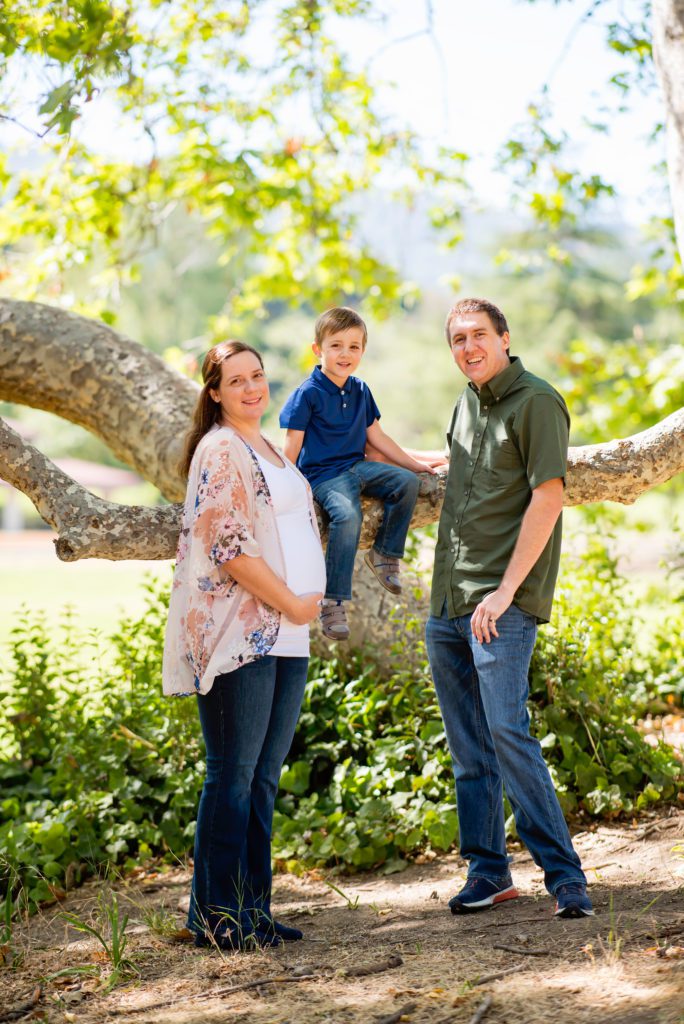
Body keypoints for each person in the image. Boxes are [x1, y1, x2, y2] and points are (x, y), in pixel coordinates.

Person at [425, 298, 593, 919]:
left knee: (505, 730)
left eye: (478, 336)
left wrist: (503, 591)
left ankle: (566, 878)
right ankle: (488, 871)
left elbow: (547, 499)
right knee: (469, 744)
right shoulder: (467, 402)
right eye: (457, 339)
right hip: (448, 600)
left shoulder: (537, 402)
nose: (468, 347)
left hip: (502, 601)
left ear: (504, 337)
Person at [162, 340, 325, 950]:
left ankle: (253, 910)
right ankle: (213, 916)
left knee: (261, 778)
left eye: (258, 376)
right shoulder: (222, 448)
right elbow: (228, 546)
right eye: (237, 381)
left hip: (288, 632)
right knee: (230, 776)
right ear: (215, 394)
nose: (253, 388)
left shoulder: (271, 449)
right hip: (240, 633)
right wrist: (290, 601)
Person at [279, 306, 437, 641]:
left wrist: (415, 465)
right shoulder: (307, 394)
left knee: (406, 483)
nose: (345, 353)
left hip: (357, 467)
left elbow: (377, 437)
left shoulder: (360, 390)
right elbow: (290, 451)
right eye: (336, 345)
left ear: (363, 351)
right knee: (347, 516)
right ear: (317, 349)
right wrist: (285, 496)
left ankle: (384, 554)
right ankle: (333, 600)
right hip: (324, 476)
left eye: (354, 346)